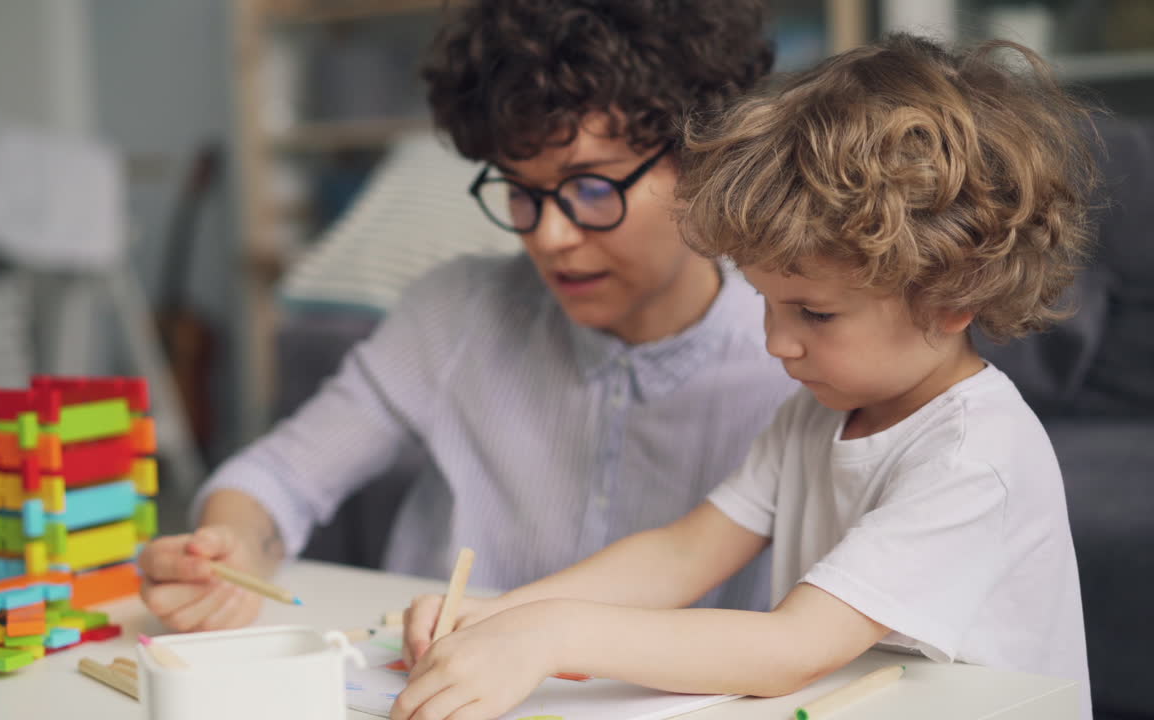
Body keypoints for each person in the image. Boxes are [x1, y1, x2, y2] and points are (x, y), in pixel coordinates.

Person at [393, 34, 1097, 720]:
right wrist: (498, 615)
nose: (775, 343)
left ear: (951, 299)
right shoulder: (820, 412)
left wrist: (548, 637)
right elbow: (684, 552)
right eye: (763, 300)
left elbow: (793, 646)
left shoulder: (976, 457)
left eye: (815, 314)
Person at [138, 0, 794, 633]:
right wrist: (229, 548)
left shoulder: (795, 356)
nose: (550, 237)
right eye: (521, 190)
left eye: (591, 188)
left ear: (703, 161)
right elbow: (278, 477)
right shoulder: (456, 313)